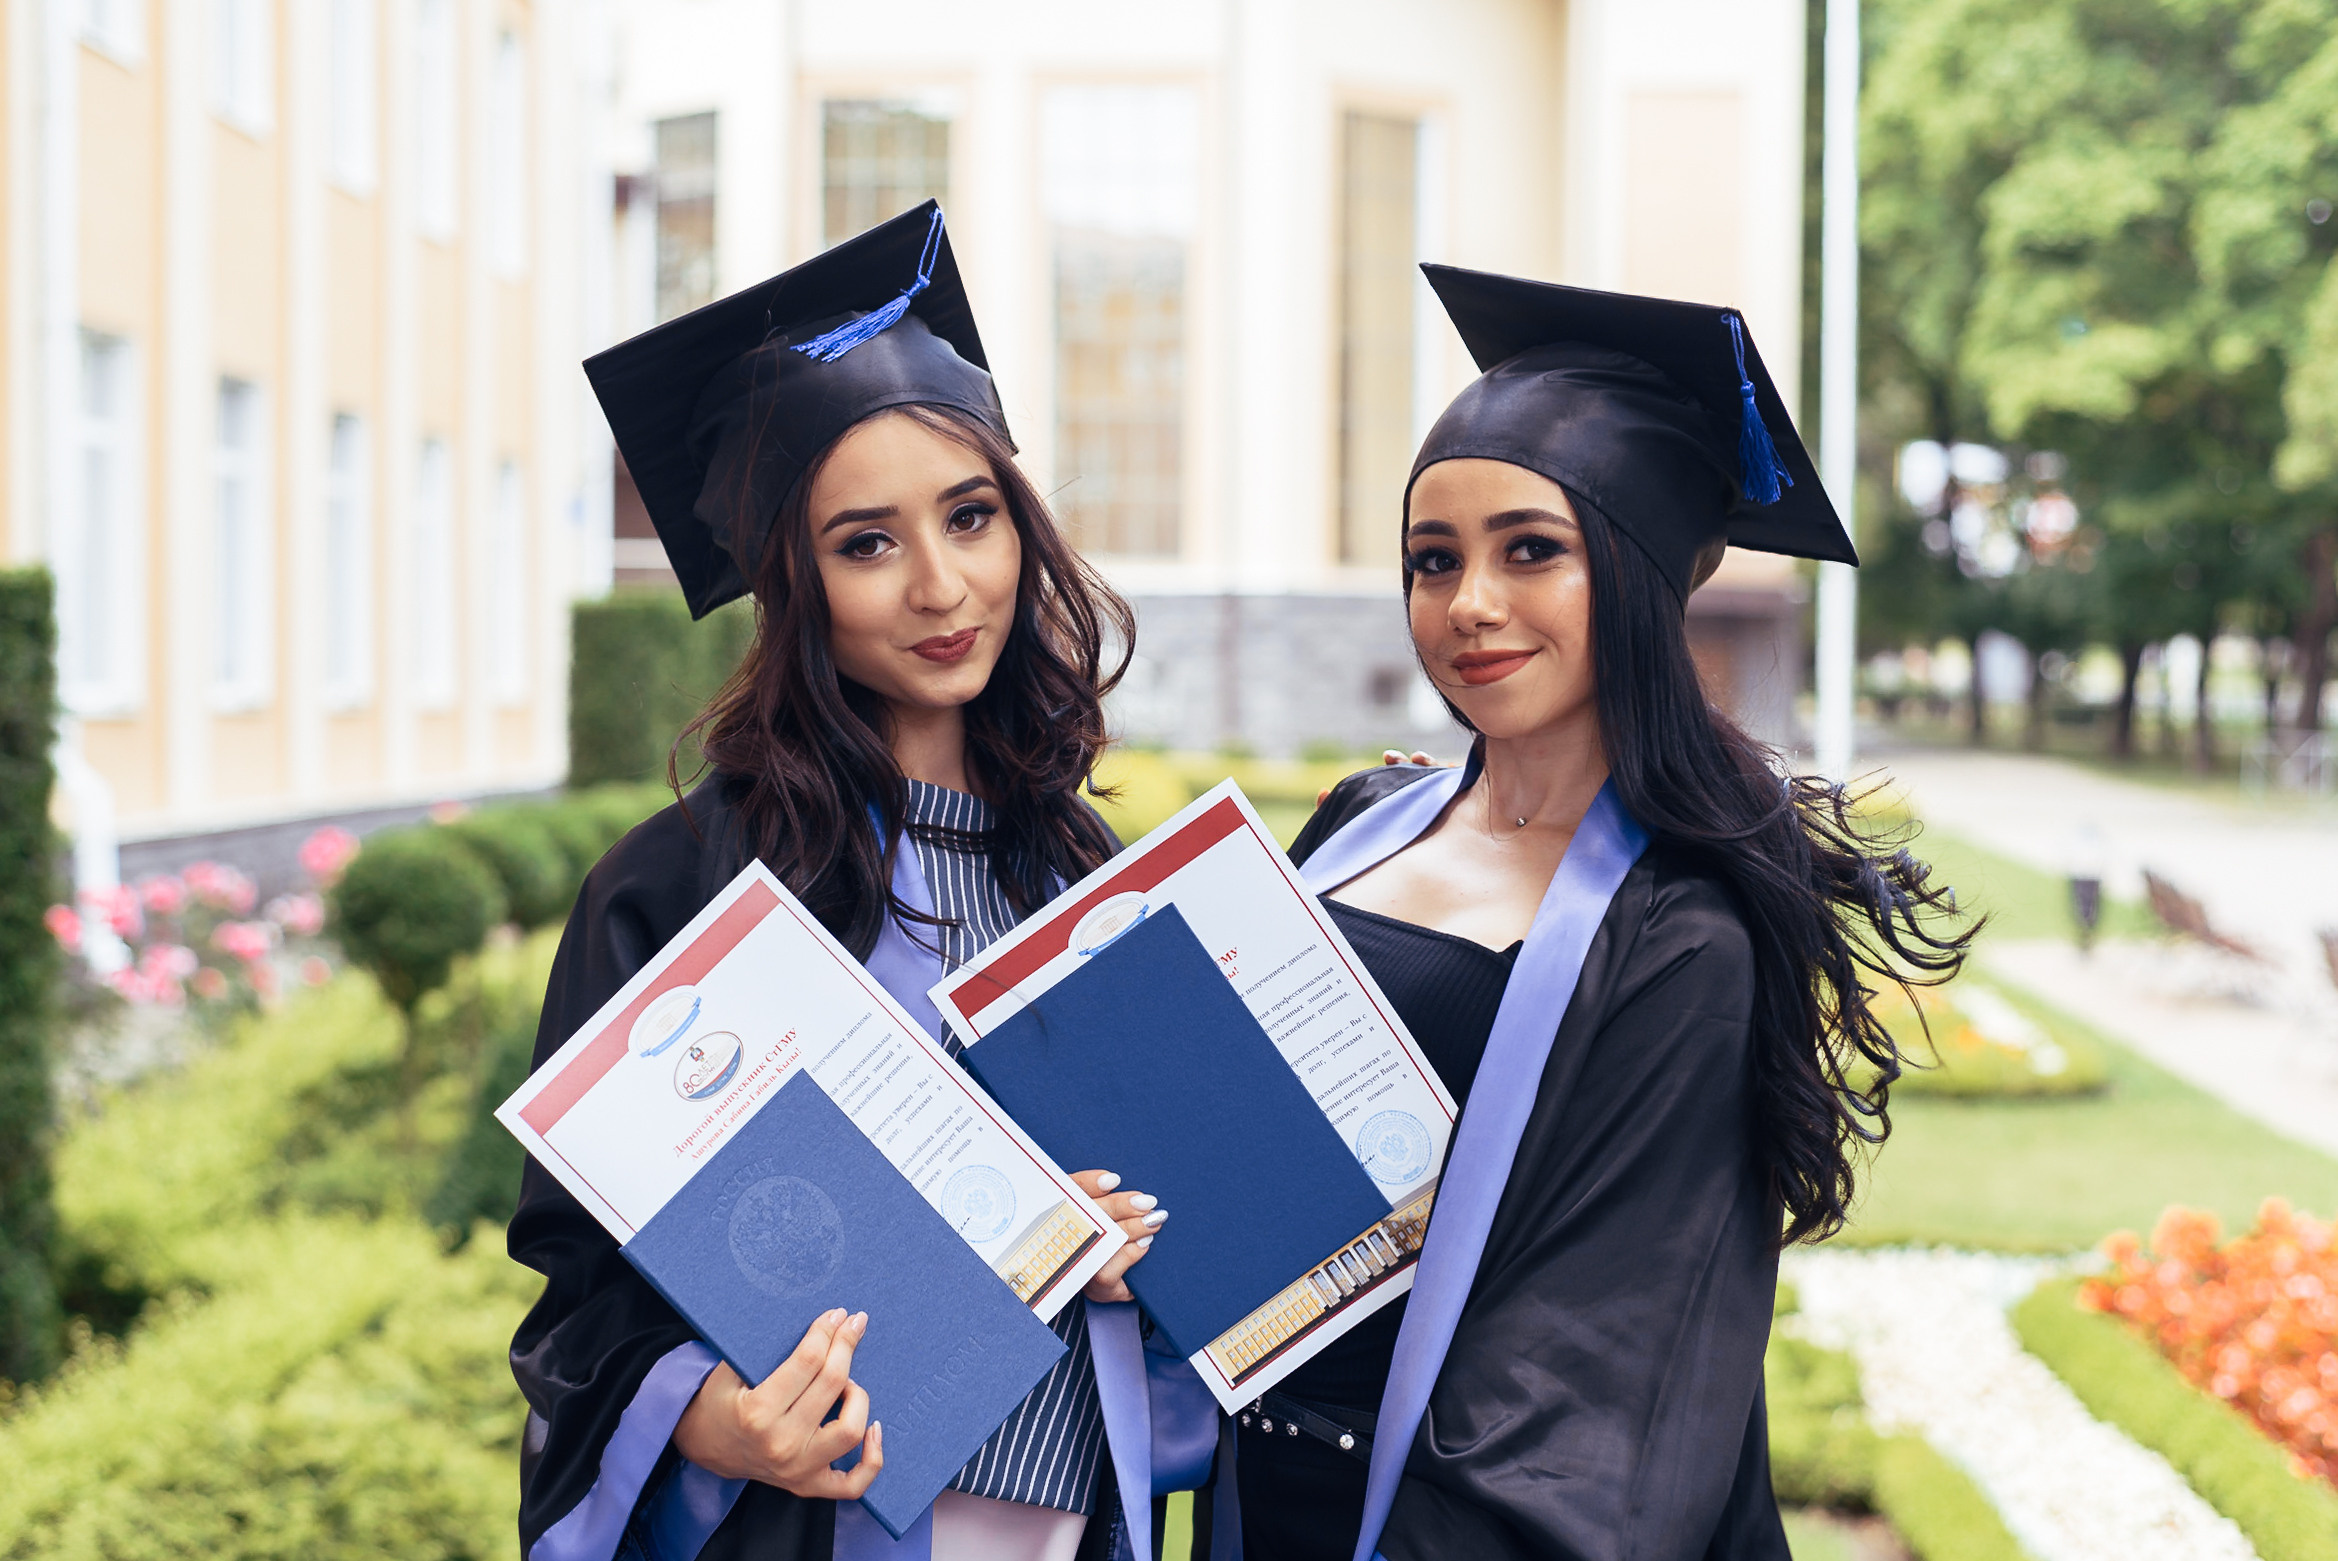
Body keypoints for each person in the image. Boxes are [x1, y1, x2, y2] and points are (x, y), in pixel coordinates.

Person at [509, 203, 1220, 1561]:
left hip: (1059, 1529)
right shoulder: (681, 892)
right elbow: (576, 1297)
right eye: (866, 542)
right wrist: (721, 1418)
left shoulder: (1098, 881)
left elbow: (1211, 1280)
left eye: (970, 516)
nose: (942, 585)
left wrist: (1130, 1255)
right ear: (793, 574)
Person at [1236, 268, 1975, 1561]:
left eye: (1531, 550)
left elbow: (1596, 1372)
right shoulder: (1360, 818)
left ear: (1628, 573)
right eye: (1431, 559)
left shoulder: (1680, 933)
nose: (1469, 603)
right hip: (1264, 1501)